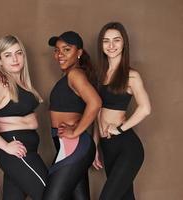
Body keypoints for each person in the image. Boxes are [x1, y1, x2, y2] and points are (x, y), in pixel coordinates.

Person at [0, 35, 48, 200]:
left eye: (18, 53)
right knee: (51, 194)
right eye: (8, 55)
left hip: (28, 149)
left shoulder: (22, 82)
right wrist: (6, 146)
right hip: (16, 149)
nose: (15, 59)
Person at [92, 22, 151, 200]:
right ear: (101, 45)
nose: (111, 45)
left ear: (124, 43)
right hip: (107, 146)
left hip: (127, 147)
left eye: (116, 40)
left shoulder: (131, 76)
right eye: (106, 41)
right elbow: (97, 113)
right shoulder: (99, 75)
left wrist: (119, 129)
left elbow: (145, 108)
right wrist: (95, 145)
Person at [42, 31, 102, 200]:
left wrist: (75, 132)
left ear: (79, 53)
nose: (60, 54)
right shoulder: (69, 75)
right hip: (69, 145)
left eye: (66, 49)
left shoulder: (75, 74)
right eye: (57, 50)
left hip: (74, 145)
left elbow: (95, 103)